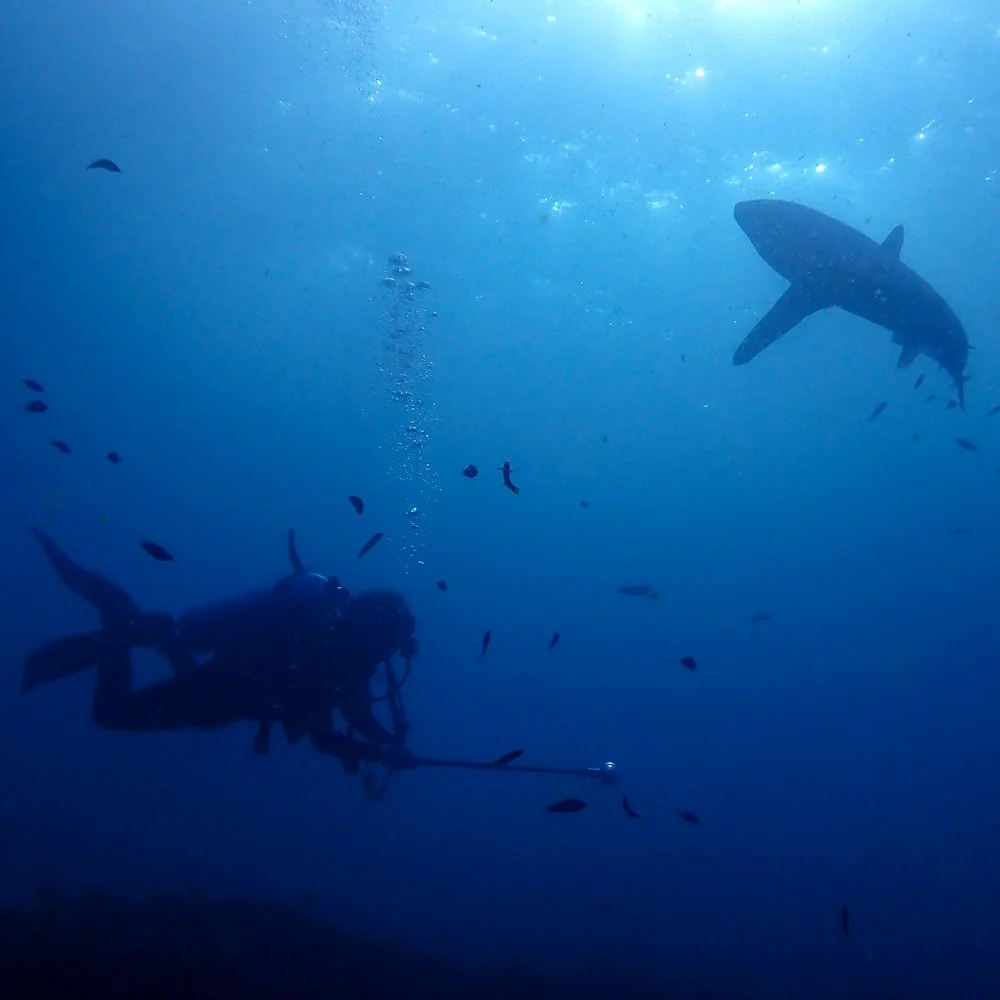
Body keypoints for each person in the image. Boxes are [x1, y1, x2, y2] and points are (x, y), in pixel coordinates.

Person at [22, 528, 419, 777]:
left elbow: (341, 726)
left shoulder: (346, 661)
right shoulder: (330, 647)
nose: (384, 656)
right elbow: (325, 733)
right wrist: (381, 751)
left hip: (221, 698)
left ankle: (128, 628)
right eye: (386, 644)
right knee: (110, 715)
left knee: (121, 708)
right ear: (375, 634)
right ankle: (117, 627)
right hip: (218, 691)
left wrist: (384, 749)